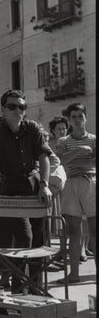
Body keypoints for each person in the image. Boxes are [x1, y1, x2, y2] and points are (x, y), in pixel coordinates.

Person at [0, 89, 53, 293]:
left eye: (22, 106)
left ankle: (35, 287)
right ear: (3, 109)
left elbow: (44, 156)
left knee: (39, 239)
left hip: (33, 187)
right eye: (12, 106)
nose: (18, 110)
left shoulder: (32, 128)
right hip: (9, 191)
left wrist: (45, 184)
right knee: (20, 240)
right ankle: (18, 288)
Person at [55, 103, 96, 284]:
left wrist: (75, 154)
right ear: (70, 120)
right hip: (71, 183)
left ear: (85, 118)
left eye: (80, 116)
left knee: (95, 232)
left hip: (91, 182)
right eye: (74, 117)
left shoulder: (94, 139)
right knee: (73, 232)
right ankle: (74, 274)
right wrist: (81, 150)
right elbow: (62, 161)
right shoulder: (63, 141)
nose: (78, 120)